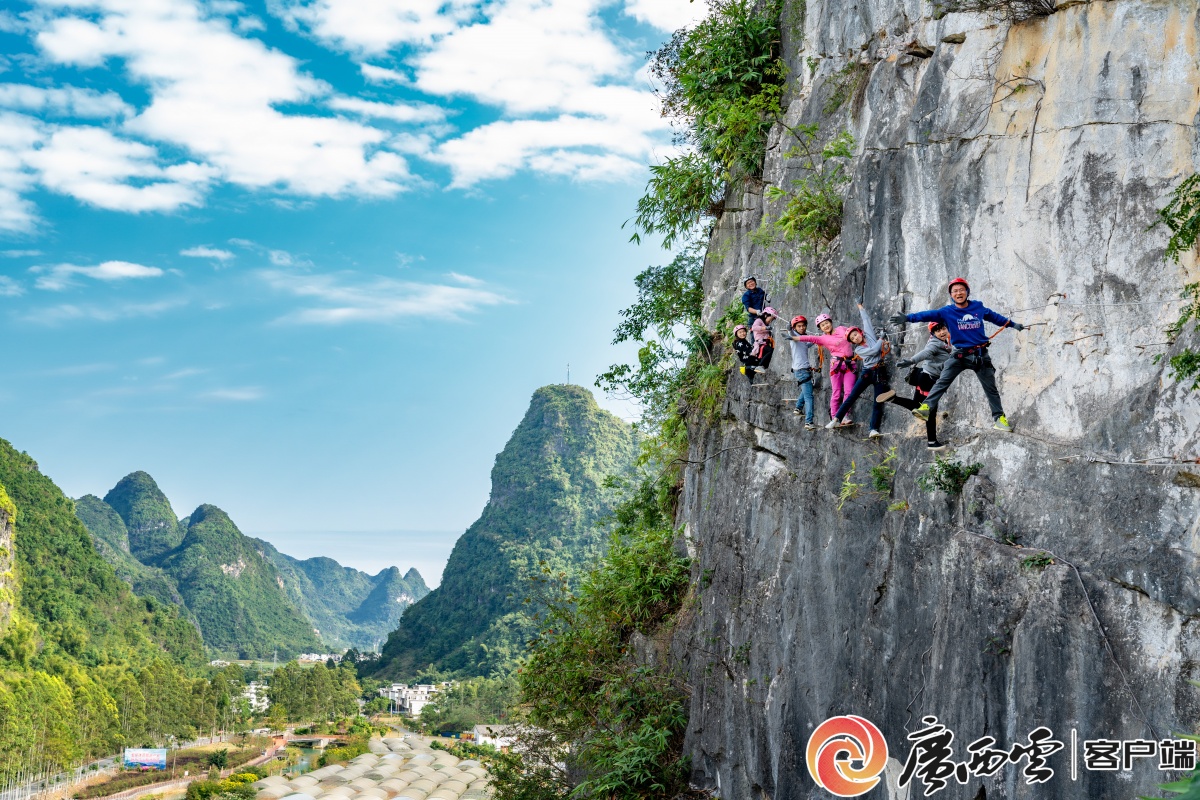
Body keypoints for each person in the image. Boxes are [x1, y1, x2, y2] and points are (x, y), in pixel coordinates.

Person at [889, 277, 1025, 448]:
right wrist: (908, 318)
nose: (958, 293)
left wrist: (1012, 325)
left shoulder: (978, 307)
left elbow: (994, 317)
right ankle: (926, 408)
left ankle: (999, 418)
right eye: (955, 291)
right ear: (951, 295)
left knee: (991, 389)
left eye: (961, 290)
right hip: (959, 355)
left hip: (980, 355)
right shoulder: (947, 312)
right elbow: (927, 315)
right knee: (942, 382)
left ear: (967, 292)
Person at [824, 303, 894, 438]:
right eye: (853, 338)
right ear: (852, 342)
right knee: (852, 397)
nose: (856, 337)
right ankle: (836, 419)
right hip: (867, 373)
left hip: (880, 372)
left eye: (855, 334)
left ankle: (873, 429)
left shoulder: (869, 335)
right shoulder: (858, 349)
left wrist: (860, 306)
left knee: (878, 401)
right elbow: (874, 351)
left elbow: (866, 320)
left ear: (859, 332)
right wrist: (881, 339)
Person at [889, 322, 953, 448]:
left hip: (922, 375)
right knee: (929, 411)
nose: (942, 332)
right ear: (933, 334)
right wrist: (912, 360)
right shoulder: (935, 343)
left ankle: (894, 399)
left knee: (919, 406)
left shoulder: (945, 342)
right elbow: (926, 352)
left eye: (943, 328)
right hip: (929, 380)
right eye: (937, 331)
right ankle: (932, 442)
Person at [792, 312, 857, 425]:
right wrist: (794, 337)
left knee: (849, 392)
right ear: (820, 328)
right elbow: (810, 338)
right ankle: (834, 417)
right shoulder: (823, 338)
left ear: (831, 322)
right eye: (822, 325)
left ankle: (844, 416)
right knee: (836, 392)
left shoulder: (842, 329)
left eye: (826, 323)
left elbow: (855, 333)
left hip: (850, 364)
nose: (825, 326)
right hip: (836, 365)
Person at [781, 315, 820, 430]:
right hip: (801, 371)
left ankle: (798, 408)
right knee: (809, 396)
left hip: (803, 370)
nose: (802, 328)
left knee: (806, 390)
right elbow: (792, 335)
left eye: (803, 326)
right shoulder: (794, 337)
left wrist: (817, 337)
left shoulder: (802, 339)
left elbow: (808, 344)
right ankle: (809, 422)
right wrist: (789, 329)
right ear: (795, 327)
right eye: (799, 326)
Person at [751, 307, 779, 373]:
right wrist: (765, 328)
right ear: (766, 315)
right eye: (770, 319)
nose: (770, 321)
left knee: (769, 353)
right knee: (770, 350)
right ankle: (760, 366)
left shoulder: (765, 323)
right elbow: (754, 327)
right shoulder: (759, 320)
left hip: (765, 343)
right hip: (760, 344)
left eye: (771, 320)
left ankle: (763, 366)